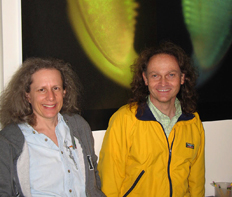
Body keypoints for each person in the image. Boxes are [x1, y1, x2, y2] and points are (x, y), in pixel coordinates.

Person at [98, 41, 205, 197]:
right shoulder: (125, 119)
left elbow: (197, 181)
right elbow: (109, 181)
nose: (163, 82)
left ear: (182, 78)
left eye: (171, 75)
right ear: (145, 79)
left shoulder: (193, 122)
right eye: (155, 75)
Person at [0, 57, 105, 197]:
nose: (51, 97)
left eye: (56, 88)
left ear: (64, 92)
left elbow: (93, 178)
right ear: (27, 96)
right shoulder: (9, 140)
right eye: (42, 90)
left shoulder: (79, 127)